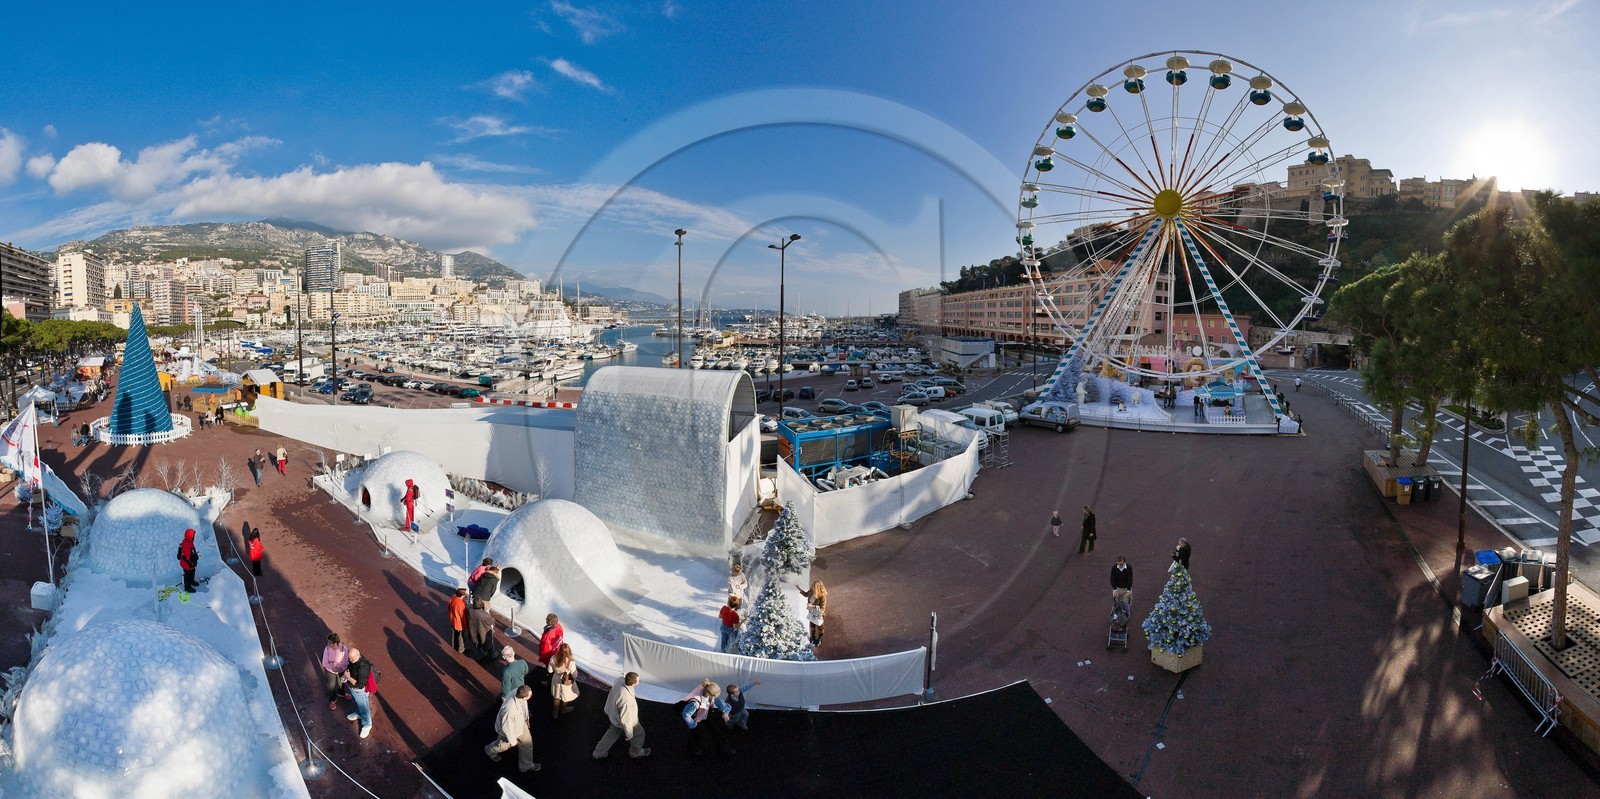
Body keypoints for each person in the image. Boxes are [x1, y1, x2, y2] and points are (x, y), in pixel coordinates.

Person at [593, 672, 650, 759]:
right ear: (633, 684)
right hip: (621, 721)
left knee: (612, 733)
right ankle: (636, 753)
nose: (639, 681)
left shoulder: (620, 680)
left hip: (613, 715)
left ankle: (598, 753)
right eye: (638, 680)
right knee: (639, 733)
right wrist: (629, 735)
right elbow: (626, 719)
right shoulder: (626, 700)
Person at [485, 685, 541, 772]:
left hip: (520, 724)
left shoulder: (517, 692)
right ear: (524, 698)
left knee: (527, 745)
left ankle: (525, 766)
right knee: (502, 746)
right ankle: (490, 751)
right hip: (509, 731)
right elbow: (506, 727)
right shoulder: (509, 710)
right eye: (530, 695)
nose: (531, 695)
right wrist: (512, 740)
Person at [681, 680, 734, 756]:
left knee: (717, 731)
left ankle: (723, 748)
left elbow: (718, 702)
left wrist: (724, 712)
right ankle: (693, 750)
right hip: (696, 718)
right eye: (715, 696)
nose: (716, 697)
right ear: (709, 694)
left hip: (706, 713)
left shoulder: (711, 695)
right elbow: (686, 714)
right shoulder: (695, 702)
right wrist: (692, 725)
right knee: (697, 735)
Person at [343, 648, 375, 739]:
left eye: (351, 658)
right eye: (349, 658)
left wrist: (348, 677)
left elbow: (360, 685)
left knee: (364, 707)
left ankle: (367, 725)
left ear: (357, 655)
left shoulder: (363, 667)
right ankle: (358, 713)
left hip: (359, 690)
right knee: (355, 702)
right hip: (353, 689)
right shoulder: (354, 659)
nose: (350, 660)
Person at [548, 642, 579, 718]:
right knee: (565, 697)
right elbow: (575, 675)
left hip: (556, 679)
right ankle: (563, 710)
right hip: (566, 681)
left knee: (556, 697)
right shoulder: (571, 661)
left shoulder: (553, 658)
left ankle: (555, 713)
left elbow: (550, 671)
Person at [321, 633, 350, 710]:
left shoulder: (344, 649)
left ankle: (341, 693)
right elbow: (324, 663)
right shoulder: (327, 649)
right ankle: (333, 699)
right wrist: (337, 664)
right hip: (330, 671)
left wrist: (333, 663)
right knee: (331, 686)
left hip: (341, 671)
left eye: (329, 642)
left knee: (341, 683)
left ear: (335, 643)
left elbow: (345, 663)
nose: (328, 644)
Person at [802, 580, 827, 647]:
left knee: (820, 626)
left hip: (819, 613)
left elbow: (822, 608)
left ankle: (820, 638)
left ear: (817, 587)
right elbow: (806, 594)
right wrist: (799, 589)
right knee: (812, 625)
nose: (812, 586)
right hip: (812, 611)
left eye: (813, 585)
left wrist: (812, 606)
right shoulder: (811, 590)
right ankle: (813, 638)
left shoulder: (822, 595)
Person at [177, 528, 200, 592]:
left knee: (193, 571)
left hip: (191, 563)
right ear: (189, 536)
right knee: (187, 575)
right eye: (193, 535)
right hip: (187, 564)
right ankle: (187, 587)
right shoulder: (186, 544)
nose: (194, 536)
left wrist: (195, 555)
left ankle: (191, 581)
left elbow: (192, 550)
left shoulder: (190, 541)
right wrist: (191, 562)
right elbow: (186, 556)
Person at [448, 588, 469, 654]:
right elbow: (463, 615)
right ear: (462, 595)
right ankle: (461, 649)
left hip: (453, 619)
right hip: (459, 623)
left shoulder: (453, 597)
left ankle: (454, 645)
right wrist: (465, 624)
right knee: (461, 637)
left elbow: (449, 606)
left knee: (454, 633)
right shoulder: (462, 603)